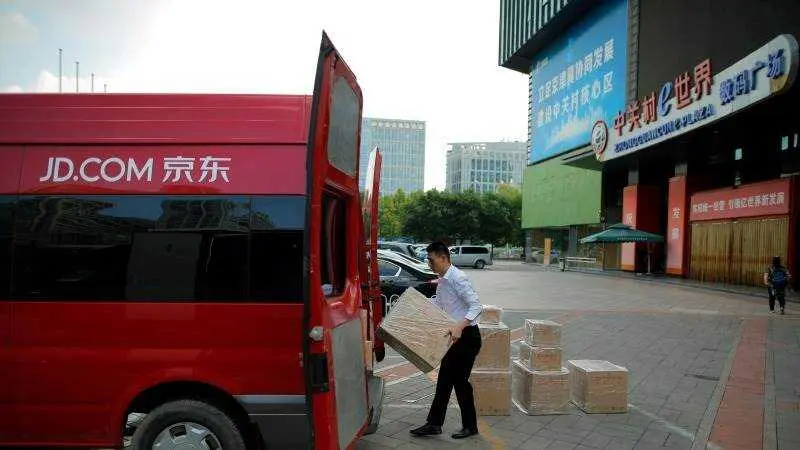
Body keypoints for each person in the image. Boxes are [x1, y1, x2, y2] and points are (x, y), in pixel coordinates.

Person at [410, 241, 483, 440]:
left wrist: (460, 326)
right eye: (428, 260)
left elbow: (476, 307)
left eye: (431, 260)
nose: (429, 264)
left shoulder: (458, 278)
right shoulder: (442, 279)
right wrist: (421, 306)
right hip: (453, 338)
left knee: (460, 383)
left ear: (443, 258)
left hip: (467, 337)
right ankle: (434, 424)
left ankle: (470, 426)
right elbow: (441, 305)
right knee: (444, 381)